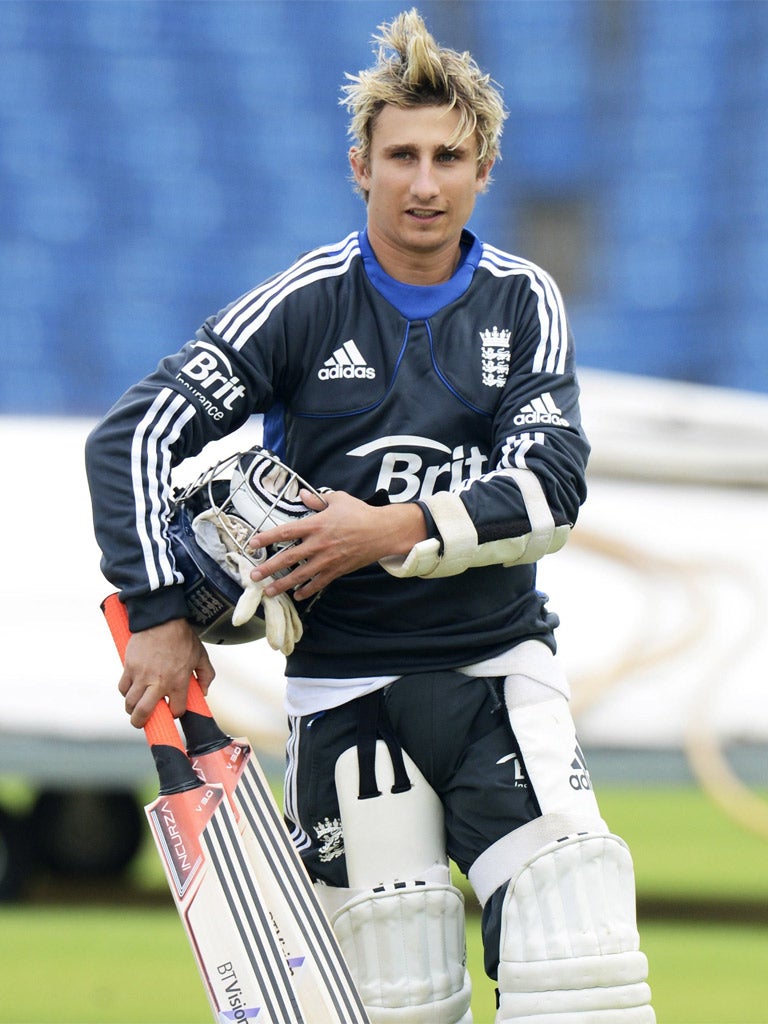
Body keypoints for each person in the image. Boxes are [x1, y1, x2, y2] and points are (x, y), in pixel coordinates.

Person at [85, 9, 655, 1023]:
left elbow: (551, 489)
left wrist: (384, 531)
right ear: (361, 165)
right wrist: (162, 613)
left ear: (485, 169)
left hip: (498, 681)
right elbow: (130, 437)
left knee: (585, 966)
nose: (425, 182)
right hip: (345, 694)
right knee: (389, 997)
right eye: (402, 156)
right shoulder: (302, 303)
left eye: (449, 156)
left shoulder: (526, 302)